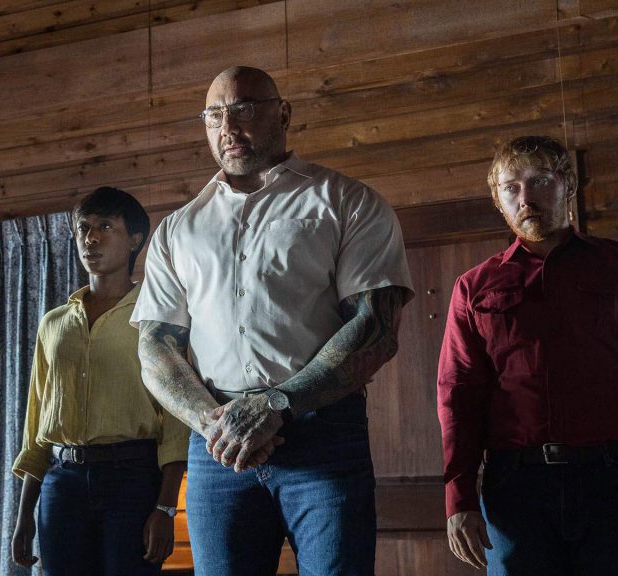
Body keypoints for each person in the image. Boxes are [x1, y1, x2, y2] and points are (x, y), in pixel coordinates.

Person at [131, 66, 414, 575]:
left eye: (243, 109)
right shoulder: (177, 229)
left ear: (283, 114)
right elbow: (155, 347)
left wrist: (277, 405)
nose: (228, 127)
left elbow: (374, 326)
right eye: (214, 115)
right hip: (217, 444)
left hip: (324, 436)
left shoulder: (348, 201)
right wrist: (214, 423)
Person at [437, 136, 618, 575]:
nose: (526, 198)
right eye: (511, 187)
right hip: (514, 491)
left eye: (540, 181)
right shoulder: (473, 288)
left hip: (614, 482)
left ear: (568, 186)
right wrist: (459, 498)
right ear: (498, 200)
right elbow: (458, 397)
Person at [10, 187, 189, 576]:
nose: (90, 238)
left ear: (135, 240)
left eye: (105, 226)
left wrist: (164, 508)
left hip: (133, 479)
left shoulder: (154, 318)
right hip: (62, 483)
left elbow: (177, 422)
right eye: (84, 228)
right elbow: (37, 422)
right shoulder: (53, 323)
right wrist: (24, 514)